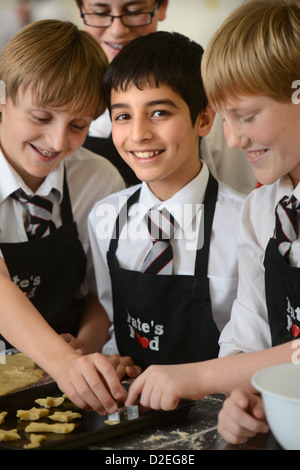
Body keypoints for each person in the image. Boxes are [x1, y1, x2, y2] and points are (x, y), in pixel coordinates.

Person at [124, 0, 300, 445]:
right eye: (225, 118)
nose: (234, 138)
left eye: (246, 116)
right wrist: (246, 399)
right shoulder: (263, 212)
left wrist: (198, 377)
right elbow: (249, 333)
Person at [88, 30, 245, 372]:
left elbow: (257, 344)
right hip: (134, 407)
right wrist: (116, 359)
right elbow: (114, 321)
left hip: (223, 407)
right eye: (123, 116)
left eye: (159, 113)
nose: (139, 134)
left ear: (203, 119)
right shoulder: (105, 218)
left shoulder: (246, 223)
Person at [0, 19, 127, 355]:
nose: (57, 141)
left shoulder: (100, 180)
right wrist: (65, 364)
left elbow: (103, 292)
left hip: (57, 384)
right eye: (41, 118)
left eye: (78, 125)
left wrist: (85, 346)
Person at [75, 0, 256, 194]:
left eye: (134, 11)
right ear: (81, 11)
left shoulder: (204, 92)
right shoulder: (68, 99)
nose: (117, 29)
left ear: (161, 7)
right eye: (101, 13)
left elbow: (240, 196)